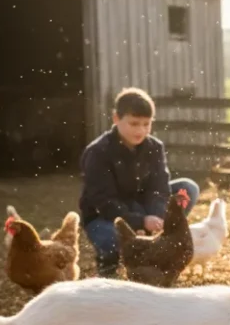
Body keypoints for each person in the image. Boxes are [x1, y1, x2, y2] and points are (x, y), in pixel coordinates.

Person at [79, 87, 200, 277]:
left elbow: (158, 188)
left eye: (146, 124)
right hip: (106, 216)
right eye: (134, 123)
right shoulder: (98, 152)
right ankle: (110, 263)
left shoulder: (154, 147)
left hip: (143, 206)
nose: (141, 130)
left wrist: (157, 215)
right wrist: (140, 221)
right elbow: (103, 202)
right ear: (116, 118)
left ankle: (157, 243)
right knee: (112, 240)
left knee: (188, 188)